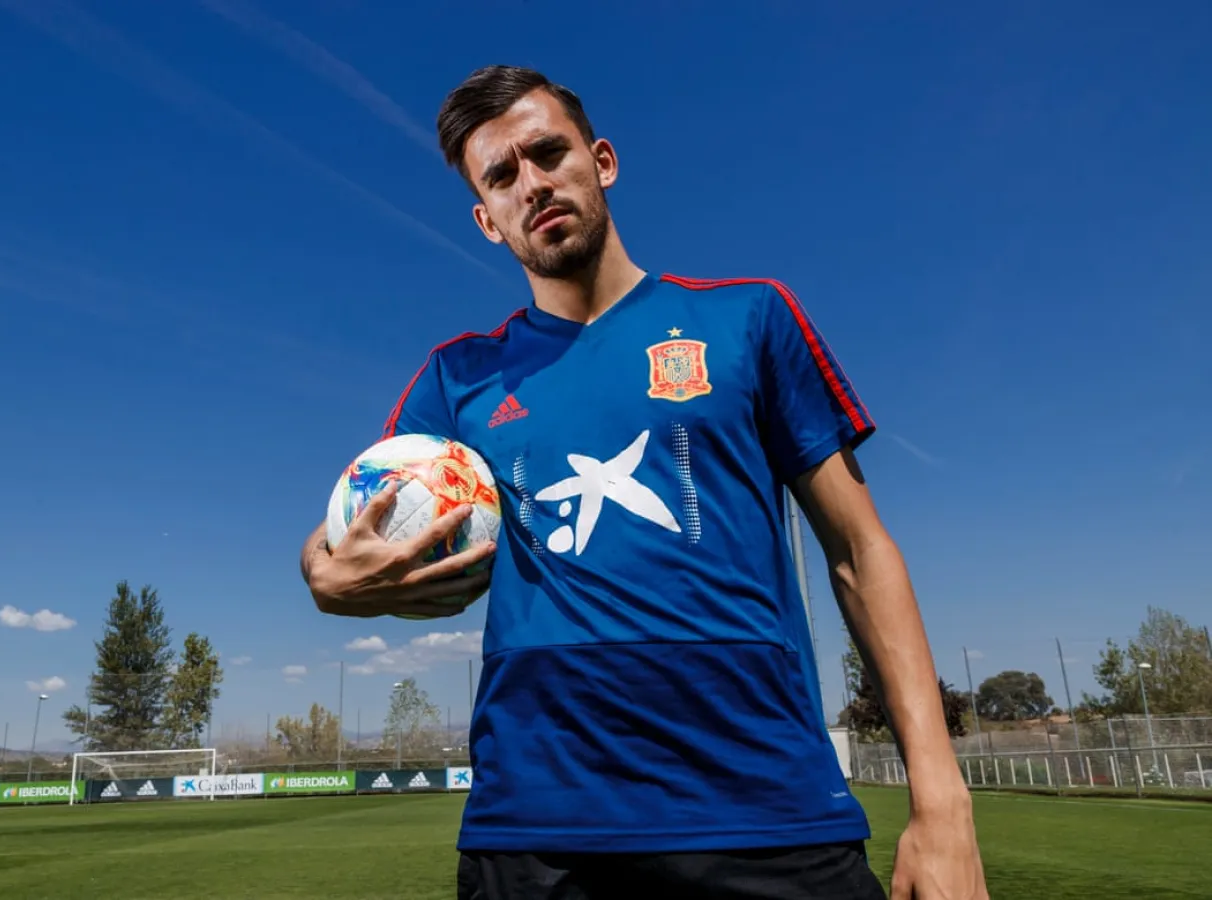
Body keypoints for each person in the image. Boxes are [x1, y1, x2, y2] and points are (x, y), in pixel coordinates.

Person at [299, 64, 988, 900]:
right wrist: (322, 575)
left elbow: (859, 550)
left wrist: (942, 803)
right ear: (487, 221)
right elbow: (360, 515)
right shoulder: (458, 379)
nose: (533, 184)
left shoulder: (749, 318)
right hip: (537, 835)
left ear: (603, 161)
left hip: (768, 813)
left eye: (548, 153)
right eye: (503, 176)